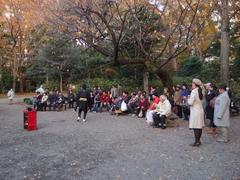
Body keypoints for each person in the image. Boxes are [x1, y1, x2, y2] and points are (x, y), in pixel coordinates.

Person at [188, 78, 205, 147]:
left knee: (195, 127)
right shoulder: (202, 91)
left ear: (195, 84)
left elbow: (190, 103)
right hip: (200, 110)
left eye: (192, 83)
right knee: (199, 126)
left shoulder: (194, 92)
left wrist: (188, 98)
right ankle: (199, 141)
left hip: (195, 111)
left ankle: (196, 142)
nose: (191, 84)